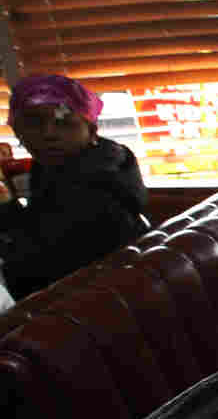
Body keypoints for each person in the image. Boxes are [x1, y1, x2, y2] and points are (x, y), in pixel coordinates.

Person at [0, 75, 148, 301]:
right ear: (18, 132)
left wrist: (6, 206)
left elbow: (34, 269)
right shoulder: (63, 165)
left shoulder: (94, 186)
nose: (49, 133)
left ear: (91, 129)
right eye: (34, 122)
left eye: (64, 122)